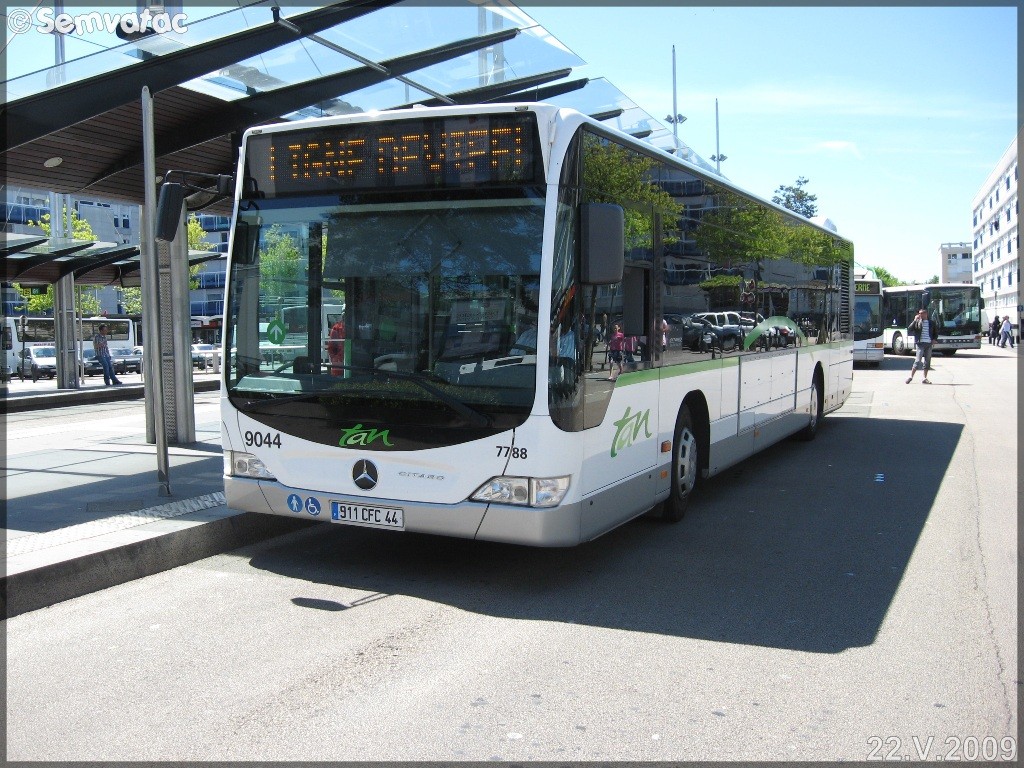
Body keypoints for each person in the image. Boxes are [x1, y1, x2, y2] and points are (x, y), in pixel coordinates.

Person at [905, 308, 935, 384]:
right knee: (918, 360)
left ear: (926, 314)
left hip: (928, 344)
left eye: (922, 313)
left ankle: (924, 378)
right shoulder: (917, 322)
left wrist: (934, 339)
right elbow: (909, 329)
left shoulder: (931, 323)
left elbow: (935, 332)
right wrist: (915, 320)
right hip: (920, 344)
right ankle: (911, 377)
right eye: (919, 313)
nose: (920, 315)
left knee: (927, 361)